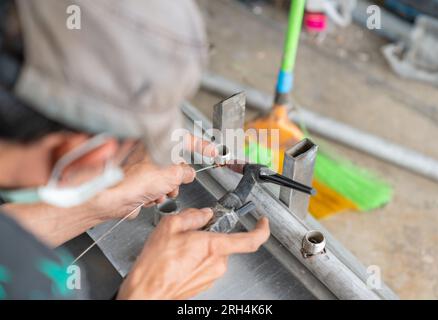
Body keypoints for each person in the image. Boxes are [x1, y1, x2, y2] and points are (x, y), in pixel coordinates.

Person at [0, 0, 270, 299]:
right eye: (128, 146)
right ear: (90, 156)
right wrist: (147, 292)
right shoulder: (35, 283)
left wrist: (94, 205)